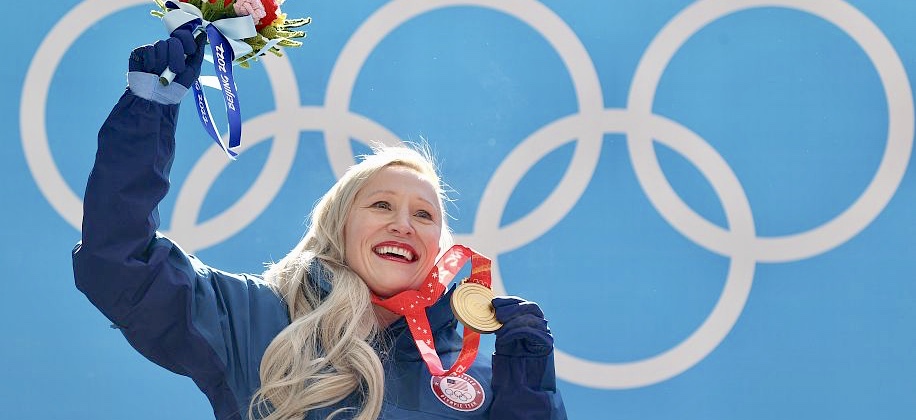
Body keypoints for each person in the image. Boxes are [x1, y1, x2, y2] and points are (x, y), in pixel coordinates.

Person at [72, 28, 566, 420]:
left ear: (440, 245)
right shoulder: (256, 319)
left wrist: (532, 395)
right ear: (338, 226)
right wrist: (148, 114)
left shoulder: (477, 372)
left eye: (424, 215)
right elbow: (120, 261)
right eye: (381, 206)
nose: (403, 224)